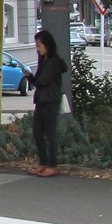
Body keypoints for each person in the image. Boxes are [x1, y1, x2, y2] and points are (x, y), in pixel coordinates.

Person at [24, 29, 68, 177]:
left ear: (47, 45)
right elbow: (37, 81)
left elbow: (42, 81)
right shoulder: (44, 61)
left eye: (39, 45)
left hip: (51, 100)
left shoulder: (53, 62)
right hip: (41, 100)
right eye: (36, 46)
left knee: (50, 133)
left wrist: (34, 78)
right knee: (37, 132)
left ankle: (52, 164)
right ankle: (43, 163)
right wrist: (30, 77)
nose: (38, 48)